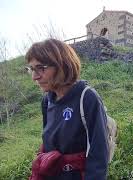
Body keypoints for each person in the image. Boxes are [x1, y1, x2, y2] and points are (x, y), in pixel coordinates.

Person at [26, 39, 108, 180]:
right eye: (32, 69)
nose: (35, 77)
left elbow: (99, 153)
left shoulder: (86, 97)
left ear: (62, 65)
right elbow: (47, 143)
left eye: (41, 68)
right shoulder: (47, 100)